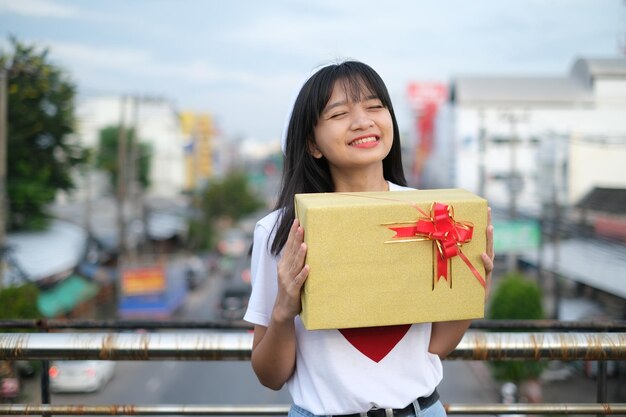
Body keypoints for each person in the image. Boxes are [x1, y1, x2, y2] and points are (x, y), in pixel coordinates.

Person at [243, 60, 495, 417]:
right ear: (313, 144)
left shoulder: (432, 215)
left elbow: (434, 347)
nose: (363, 121)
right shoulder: (282, 230)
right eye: (339, 113)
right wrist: (284, 310)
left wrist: (472, 291)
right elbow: (269, 376)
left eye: (375, 107)